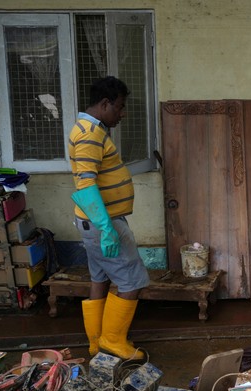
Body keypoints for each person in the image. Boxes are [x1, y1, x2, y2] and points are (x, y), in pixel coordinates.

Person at [69, 76, 149, 360]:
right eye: (119, 107)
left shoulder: (90, 129)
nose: (122, 113)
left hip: (96, 221)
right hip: (103, 222)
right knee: (132, 280)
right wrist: (106, 228)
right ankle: (113, 341)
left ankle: (96, 341)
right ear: (104, 104)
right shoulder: (90, 133)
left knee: (100, 277)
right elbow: (86, 185)